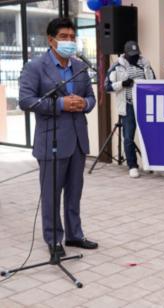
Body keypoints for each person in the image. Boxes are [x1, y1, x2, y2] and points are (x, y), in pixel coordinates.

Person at [19, 18, 98, 256]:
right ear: (51, 39)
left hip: (77, 140)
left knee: (74, 193)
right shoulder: (35, 67)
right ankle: (54, 240)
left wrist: (83, 103)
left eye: (73, 37)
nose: (69, 42)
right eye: (64, 37)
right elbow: (26, 101)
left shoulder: (80, 68)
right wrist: (61, 103)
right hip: (51, 141)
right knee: (52, 195)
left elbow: (92, 99)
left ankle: (75, 235)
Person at [105, 41, 155, 178]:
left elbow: (154, 82)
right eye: (131, 55)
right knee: (128, 137)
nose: (134, 57)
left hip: (145, 105)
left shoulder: (145, 64)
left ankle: (153, 163)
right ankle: (132, 166)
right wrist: (122, 84)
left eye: (136, 55)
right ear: (125, 54)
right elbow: (107, 86)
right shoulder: (116, 66)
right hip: (128, 105)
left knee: (150, 136)